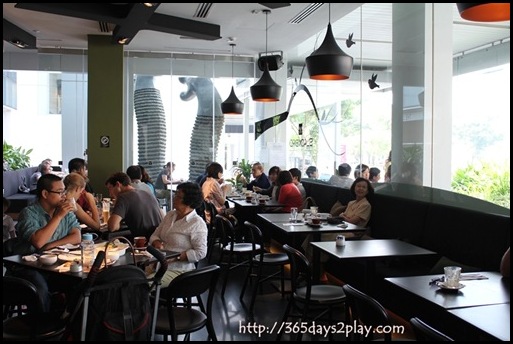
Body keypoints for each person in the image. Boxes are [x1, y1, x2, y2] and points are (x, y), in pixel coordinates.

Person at [14, 173, 82, 311]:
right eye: (59, 192)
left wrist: (50, 245)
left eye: (64, 191)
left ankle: (69, 324)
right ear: (45, 193)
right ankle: (43, 327)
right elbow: (38, 242)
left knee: (80, 283)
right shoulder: (29, 213)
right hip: (28, 265)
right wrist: (57, 217)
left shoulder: (65, 211)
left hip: (55, 265)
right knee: (40, 288)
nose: (64, 195)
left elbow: (76, 237)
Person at [149, 182, 208, 288]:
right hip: (157, 264)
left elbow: (201, 252)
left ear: (188, 201)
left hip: (179, 271)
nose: (174, 197)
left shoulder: (196, 223)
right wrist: (156, 242)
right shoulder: (171, 215)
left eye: (178, 196)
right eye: (175, 194)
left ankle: (152, 303)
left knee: (143, 285)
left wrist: (175, 257)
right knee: (130, 279)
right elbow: (154, 235)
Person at [105, 172, 163, 239]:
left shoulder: (123, 197)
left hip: (143, 242)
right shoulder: (147, 193)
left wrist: (118, 224)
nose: (110, 194)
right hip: (158, 239)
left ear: (118, 184)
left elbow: (112, 227)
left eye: (110, 188)